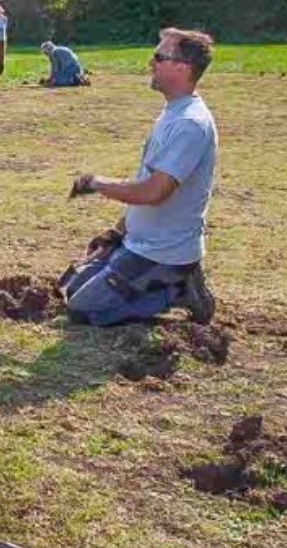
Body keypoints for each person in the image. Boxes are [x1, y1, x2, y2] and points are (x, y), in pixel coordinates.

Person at [61, 28, 218, 326]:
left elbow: (154, 192)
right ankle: (157, 283)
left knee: (83, 309)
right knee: (72, 287)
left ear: (182, 68)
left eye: (159, 57)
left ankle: (178, 290)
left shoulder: (189, 124)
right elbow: (145, 185)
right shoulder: (173, 113)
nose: (151, 63)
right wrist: (116, 233)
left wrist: (97, 183)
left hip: (163, 254)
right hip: (140, 244)